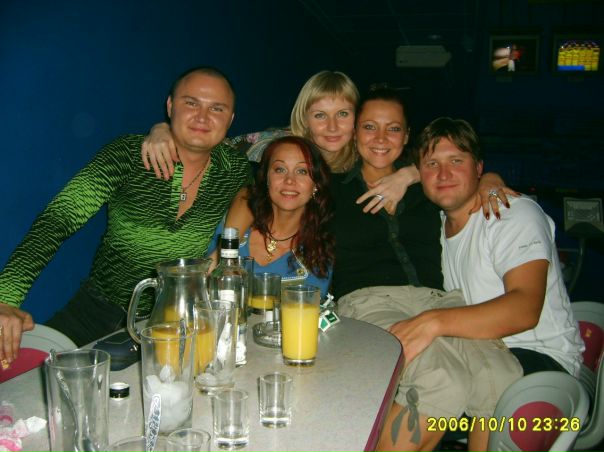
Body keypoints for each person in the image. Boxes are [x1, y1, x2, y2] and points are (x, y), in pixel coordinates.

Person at [0, 66, 251, 360]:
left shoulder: (234, 168)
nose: (202, 117)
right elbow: (59, 219)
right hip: (96, 311)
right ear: (170, 106)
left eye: (217, 108)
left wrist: (224, 251)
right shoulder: (127, 155)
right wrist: (5, 298)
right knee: (33, 373)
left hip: (178, 318)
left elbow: (257, 195)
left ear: (230, 119)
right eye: (191, 103)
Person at [332, 87, 523, 452]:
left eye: (393, 128)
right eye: (370, 126)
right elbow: (276, 169)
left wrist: (489, 179)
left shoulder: (428, 186)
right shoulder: (331, 188)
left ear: (407, 136)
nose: (381, 138)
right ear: (354, 133)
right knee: (442, 379)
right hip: (368, 302)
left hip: (439, 301)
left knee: (500, 375)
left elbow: (466, 175)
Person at [141, 70, 513, 218]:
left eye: (343, 114)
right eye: (320, 115)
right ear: (304, 119)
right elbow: (211, 138)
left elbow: (444, 168)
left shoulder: (369, 158)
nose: (332, 127)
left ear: (358, 120)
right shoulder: (278, 145)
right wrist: (162, 129)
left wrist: (488, 179)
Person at [412, 116, 583, 376]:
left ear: (479, 168)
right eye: (432, 164)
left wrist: (432, 322)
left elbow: (525, 309)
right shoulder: (432, 228)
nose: (443, 174)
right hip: (478, 351)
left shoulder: (510, 213)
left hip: (539, 357)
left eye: (456, 161)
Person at [212, 135, 334, 296]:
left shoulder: (317, 255)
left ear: (315, 185)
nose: (289, 180)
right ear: (267, 178)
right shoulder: (233, 223)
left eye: (302, 171)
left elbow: (308, 306)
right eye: (280, 169)